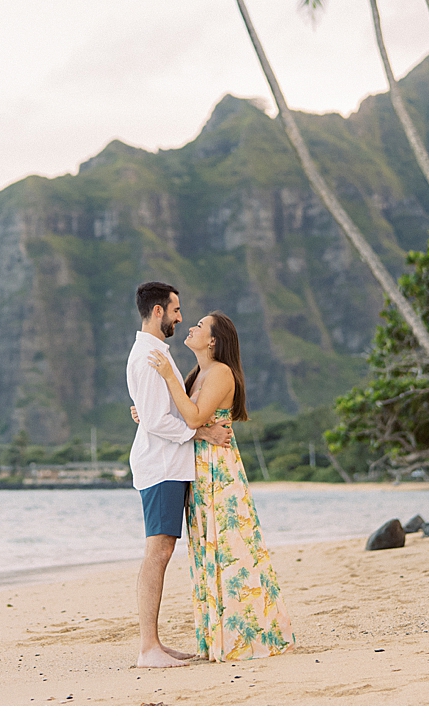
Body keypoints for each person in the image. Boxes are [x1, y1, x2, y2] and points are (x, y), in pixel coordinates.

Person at [146, 310, 294, 661]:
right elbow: (183, 417)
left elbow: (196, 417)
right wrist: (149, 414)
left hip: (217, 470)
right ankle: (222, 638)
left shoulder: (220, 373)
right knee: (208, 551)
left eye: (200, 325)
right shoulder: (198, 373)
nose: (191, 327)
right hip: (199, 469)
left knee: (231, 550)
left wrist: (167, 376)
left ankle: (248, 638)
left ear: (212, 340)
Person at [126, 281, 232, 669]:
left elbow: (154, 411)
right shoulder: (150, 356)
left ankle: (153, 644)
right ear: (158, 311)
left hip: (168, 464)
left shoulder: (156, 354)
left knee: (162, 549)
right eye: (175, 310)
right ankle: (148, 648)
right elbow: (156, 419)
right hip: (161, 465)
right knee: (158, 551)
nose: (180, 317)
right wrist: (201, 431)